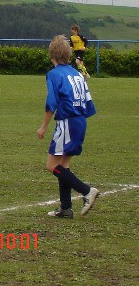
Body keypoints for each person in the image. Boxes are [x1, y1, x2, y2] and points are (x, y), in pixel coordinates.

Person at [36, 35, 99, 218]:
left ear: (51, 55)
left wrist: (43, 127)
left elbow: (51, 103)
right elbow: (88, 102)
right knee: (63, 164)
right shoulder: (77, 74)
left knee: (51, 165)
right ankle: (66, 208)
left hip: (67, 122)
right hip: (80, 121)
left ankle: (87, 191)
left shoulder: (54, 74)